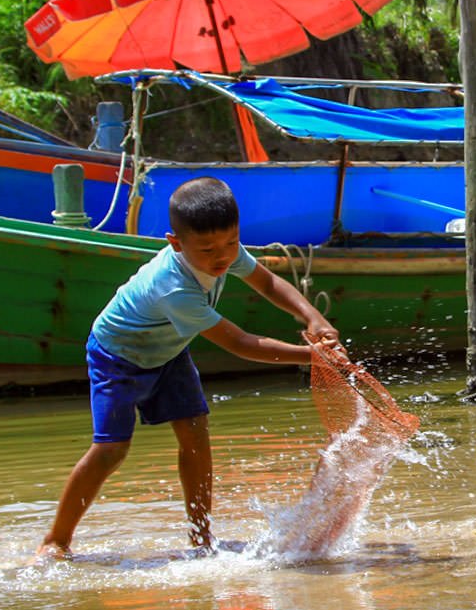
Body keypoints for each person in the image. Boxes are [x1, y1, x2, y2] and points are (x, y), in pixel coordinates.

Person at [38, 176, 339, 559]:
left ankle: (201, 539)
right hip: (118, 354)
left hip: (168, 350)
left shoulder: (226, 250)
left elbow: (267, 282)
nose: (223, 257)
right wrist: (313, 356)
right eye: (208, 249)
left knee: (196, 437)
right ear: (176, 244)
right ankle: (56, 540)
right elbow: (239, 343)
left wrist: (313, 318)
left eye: (231, 242)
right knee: (111, 449)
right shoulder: (173, 287)